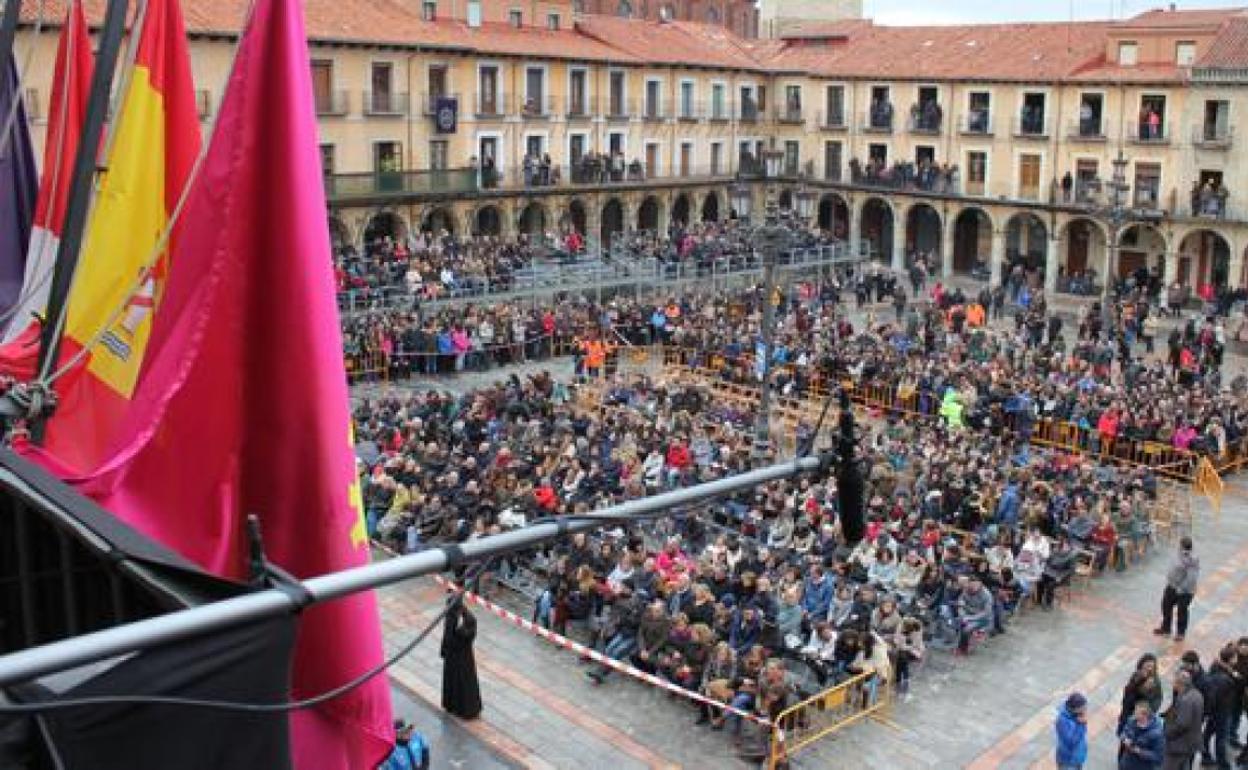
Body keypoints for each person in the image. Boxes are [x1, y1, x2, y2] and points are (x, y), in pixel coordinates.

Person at [440, 600, 483, 719]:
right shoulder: (451, 617)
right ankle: (451, 705)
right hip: (453, 656)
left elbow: (469, 634)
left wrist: (460, 634)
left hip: (463, 657)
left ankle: (466, 710)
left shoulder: (468, 618)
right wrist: (444, 650)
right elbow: (447, 635)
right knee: (453, 681)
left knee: (464, 683)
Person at [1154, 537, 1200, 642]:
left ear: (1183, 546)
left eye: (1180, 545)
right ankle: (1166, 628)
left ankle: (1180, 633)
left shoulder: (1192, 559)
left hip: (1185, 591)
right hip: (1172, 585)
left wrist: (1181, 588)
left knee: (1182, 610)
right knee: (1165, 605)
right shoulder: (1178, 554)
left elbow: (1192, 578)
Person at [1163, 669, 1205, 770]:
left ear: (1179, 683)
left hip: (1179, 745)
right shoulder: (1196, 694)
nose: (1172, 684)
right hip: (1190, 743)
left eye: (1174, 681)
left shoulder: (1186, 700)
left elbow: (1182, 724)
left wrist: (1167, 732)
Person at [1119, 701, 1165, 770]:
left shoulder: (1157, 734)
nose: (1134, 713)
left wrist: (1140, 751)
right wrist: (1125, 739)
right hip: (1126, 763)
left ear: (1144, 715)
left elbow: (1158, 756)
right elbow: (1124, 732)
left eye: (1136, 713)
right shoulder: (1132, 720)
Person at [1056, 691, 1089, 770]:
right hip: (1068, 761)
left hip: (1076, 759)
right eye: (1083, 708)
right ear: (1075, 708)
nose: (1085, 710)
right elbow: (1072, 742)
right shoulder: (1063, 721)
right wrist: (1081, 725)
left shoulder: (1077, 716)